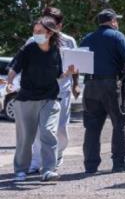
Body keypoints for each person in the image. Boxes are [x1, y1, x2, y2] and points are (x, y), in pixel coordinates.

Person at [6, 17, 76, 182]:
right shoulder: (28, 49)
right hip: (27, 99)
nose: (35, 34)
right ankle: (21, 170)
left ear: (50, 33)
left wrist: (68, 73)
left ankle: (49, 169)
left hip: (50, 98)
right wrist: (9, 82)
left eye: (40, 32)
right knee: (26, 137)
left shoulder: (57, 51)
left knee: (48, 132)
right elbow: (14, 68)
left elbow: (59, 74)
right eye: (34, 31)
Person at [22, 7, 79, 174]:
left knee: (60, 128)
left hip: (62, 91)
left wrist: (76, 83)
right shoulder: (33, 41)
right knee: (40, 128)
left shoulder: (69, 41)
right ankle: (36, 162)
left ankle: (58, 154)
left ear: (60, 26)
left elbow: (76, 65)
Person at [80, 9, 125, 174]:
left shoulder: (87, 38)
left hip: (90, 85)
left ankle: (90, 165)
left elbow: (77, 62)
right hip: (111, 85)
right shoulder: (117, 36)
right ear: (113, 21)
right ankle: (119, 162)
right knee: (120, 122)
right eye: (116, 21)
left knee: (92, 126)